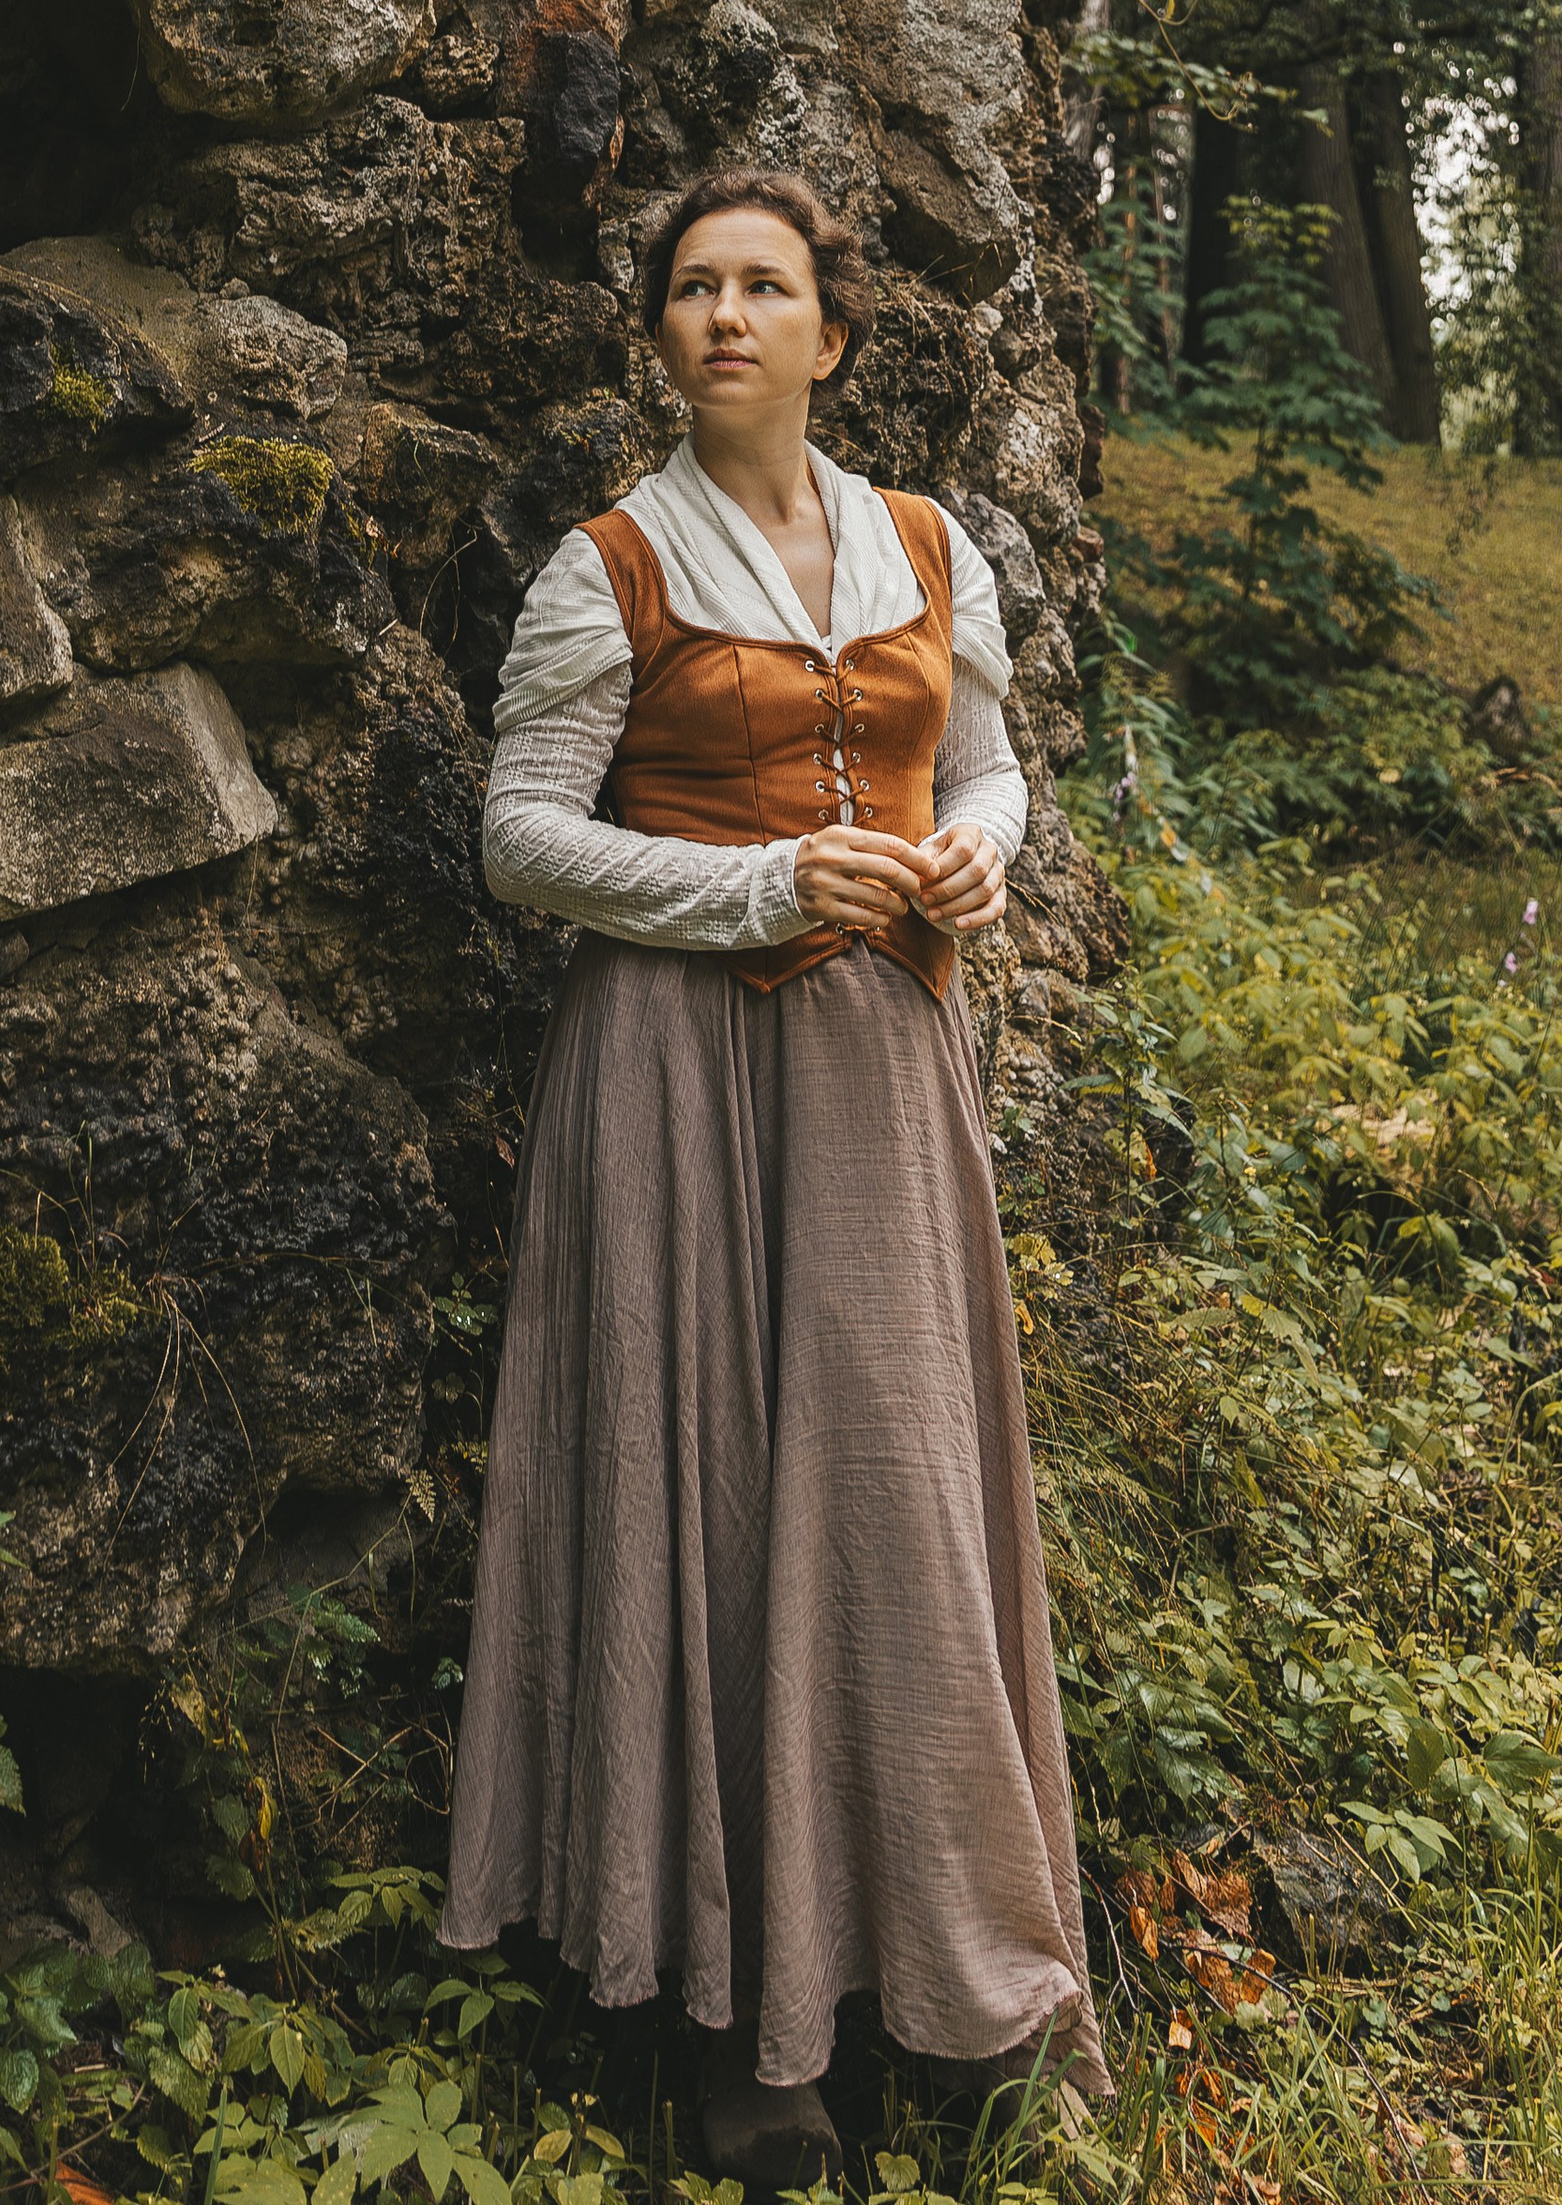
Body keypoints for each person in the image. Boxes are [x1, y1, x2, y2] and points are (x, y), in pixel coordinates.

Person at [440, 167, 1106, 2187]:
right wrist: (741, 883)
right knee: (713, 1492)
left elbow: (983, 757)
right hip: (665, 1081)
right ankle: (744, 2025)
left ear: (828, 332)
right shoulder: (609, 566)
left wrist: (979, 840)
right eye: (692, 286)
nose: (726, 312)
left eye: (765, 283)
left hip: (881, 1074)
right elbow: (517, 839)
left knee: (886, 1494)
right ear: (658, 336)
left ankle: (948, 1960)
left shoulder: (924, 545)